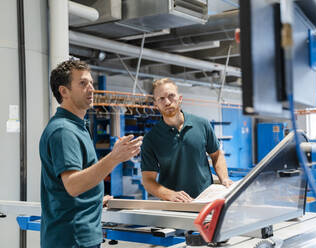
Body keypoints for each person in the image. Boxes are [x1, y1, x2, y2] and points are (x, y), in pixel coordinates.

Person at [39, 60, 143, 248]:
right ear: (64, 91)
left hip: (79, 236)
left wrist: (95, 197)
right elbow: (73, 185)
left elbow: (74, 184)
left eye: (91, 83)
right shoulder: (64, 131)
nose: (91, 88)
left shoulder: (78, 127)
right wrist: (114, 158)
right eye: (83, 83)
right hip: (72, 239)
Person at [141, 78, 233, 203]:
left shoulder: (202, 124)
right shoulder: (151, 139)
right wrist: (170, 195)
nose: (167, 102)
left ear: (180, 98)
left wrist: (224, 178)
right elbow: (148, 180)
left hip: (206, 200)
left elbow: (216, 155)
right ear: (155, 104)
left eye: (171, 96)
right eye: (161, 99)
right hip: (173, 205)